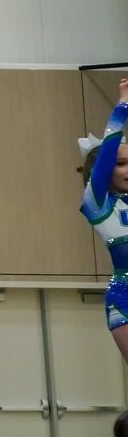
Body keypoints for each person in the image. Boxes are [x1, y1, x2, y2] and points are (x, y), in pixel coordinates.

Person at [78, 78, 128, 365]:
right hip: (125, 298)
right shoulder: (98, 205)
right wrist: (123, 106)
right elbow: (106, 157)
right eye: (120, 164)